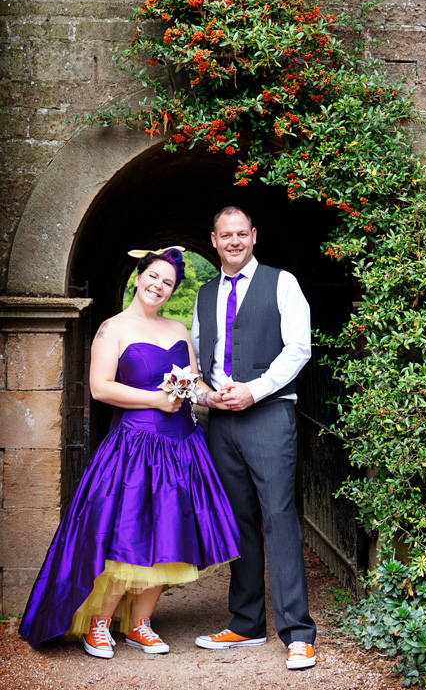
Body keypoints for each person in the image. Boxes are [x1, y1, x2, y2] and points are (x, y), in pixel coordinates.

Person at [19, 247, 240, 659]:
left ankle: (141, 624)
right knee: (127, 535)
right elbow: (101, 388)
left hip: (181, 446)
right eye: (153, 277)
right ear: (140, 278)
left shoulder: (177, 330)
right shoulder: (112, 329)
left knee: (171, 534)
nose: (159, 286)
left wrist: (217, 397)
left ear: (173, 291)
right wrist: (155, 400)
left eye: (168, 283)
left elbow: (193, 387)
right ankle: (99, 626)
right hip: (135, 447)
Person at [191, 207, 317, 670]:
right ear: (214, 239)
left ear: (254, 236)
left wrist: (255, 389)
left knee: (279, 516)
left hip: (268, 413)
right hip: (221, 422)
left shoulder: (282, 283)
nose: (234, 241)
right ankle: (245, 623)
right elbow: (201, 357)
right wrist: (207, 396)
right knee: (238, 519)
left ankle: (298, 633)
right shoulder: (204, 294)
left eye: (242, 234)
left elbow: (298, 347)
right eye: (226, 235)